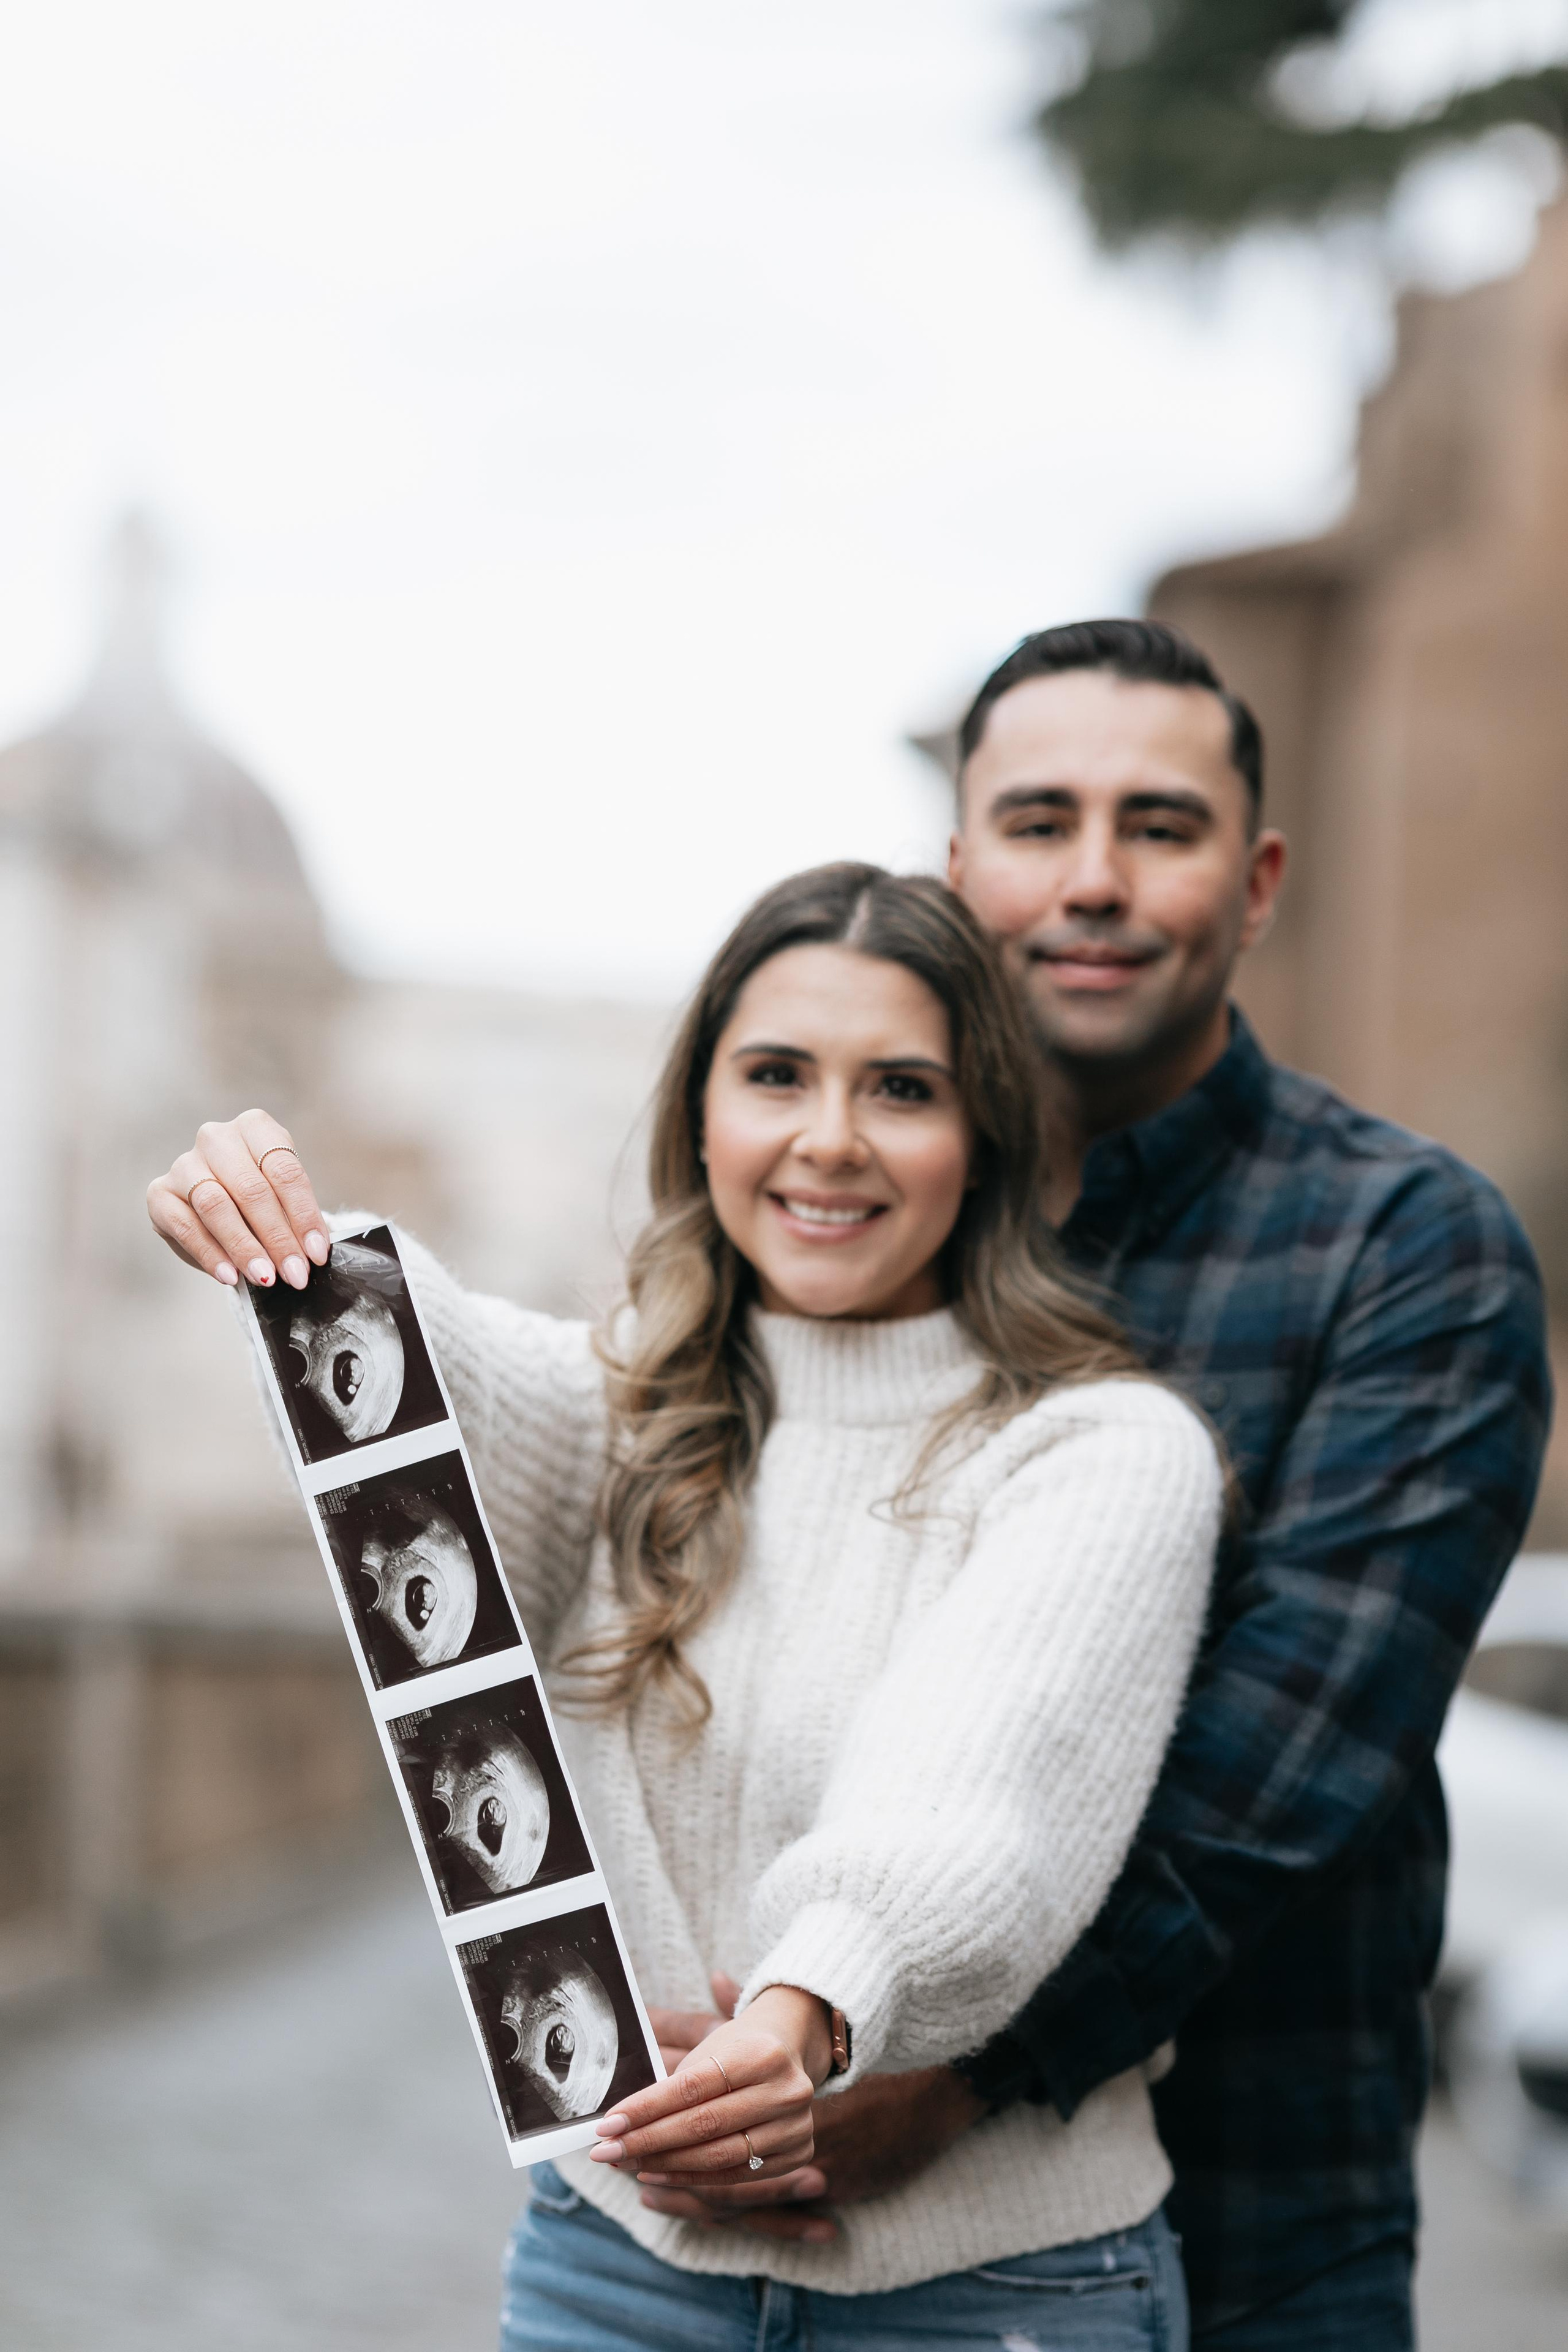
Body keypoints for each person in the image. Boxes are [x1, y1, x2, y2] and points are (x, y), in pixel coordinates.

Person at [148, 864, 1224, 2351]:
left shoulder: (1101, 1451)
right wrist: (286, 1250)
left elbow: (981, 1800)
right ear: (699, 1114)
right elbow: (432, 1385)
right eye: (775, 1074)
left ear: (981, 1137)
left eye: (900, 1088)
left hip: (994, 2294)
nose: (827, 1141)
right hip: (618, 2268)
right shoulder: (618, 1410)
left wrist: (800, 2019)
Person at [642, 622, 1553, 2348]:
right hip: (809, 2225)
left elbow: (1281, 1761)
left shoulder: (1407, 1249)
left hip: (1260, 2214)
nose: (1096, 883)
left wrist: (950, 2078)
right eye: (1041, 823)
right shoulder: (846, 1231)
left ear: (1260, 877)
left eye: (1161, 826)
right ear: (956, 864)